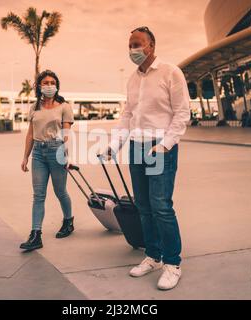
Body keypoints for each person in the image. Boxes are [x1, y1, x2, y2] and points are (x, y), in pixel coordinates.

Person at [104, 26, 191, 290]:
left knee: (161, 206)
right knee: (143, 205)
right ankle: (153, 255)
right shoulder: (132, 79)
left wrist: (165, 145)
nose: (133, 50)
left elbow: (182, 113)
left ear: (151, 45)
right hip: (137, 148)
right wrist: (114, 145)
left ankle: (173, 263)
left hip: (160, 147)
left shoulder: (171, 72)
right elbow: (128, 116)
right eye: (130, 45)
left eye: (137, 44)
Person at [20, 70, 75, 251]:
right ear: (40, 86)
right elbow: (30, 134)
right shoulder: (34, 107)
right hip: (38, 153)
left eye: (52, 82)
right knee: (38, 195)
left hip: (57, 151)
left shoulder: (64, 106)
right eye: (45, 83)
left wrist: (68, 156)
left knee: (60, 191)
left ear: (57, 85)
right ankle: (36, 234)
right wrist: (25, 157)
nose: (49, 85)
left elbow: (66, 133)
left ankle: (68, 221)